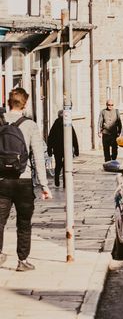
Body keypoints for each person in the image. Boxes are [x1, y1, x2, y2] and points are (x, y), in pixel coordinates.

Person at [0, 87, 51, 272]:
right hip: (23, 180)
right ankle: (22, 261)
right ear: (25, 104)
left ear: (8, 103)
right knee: (23, 223)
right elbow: (38, 156)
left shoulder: (0, 122)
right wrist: (44, 185)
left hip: (2, 181)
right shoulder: (30, 125)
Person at [46, 110, 79, 188]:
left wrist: (49, 150)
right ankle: (65, 182)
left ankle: (57, 181)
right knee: (66, 165)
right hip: (66, 148)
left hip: (57, 149)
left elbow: (50, 138)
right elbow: (74, 138)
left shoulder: (55, 125)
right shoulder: (68, 124)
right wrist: (76, 149)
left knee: (58, 165)